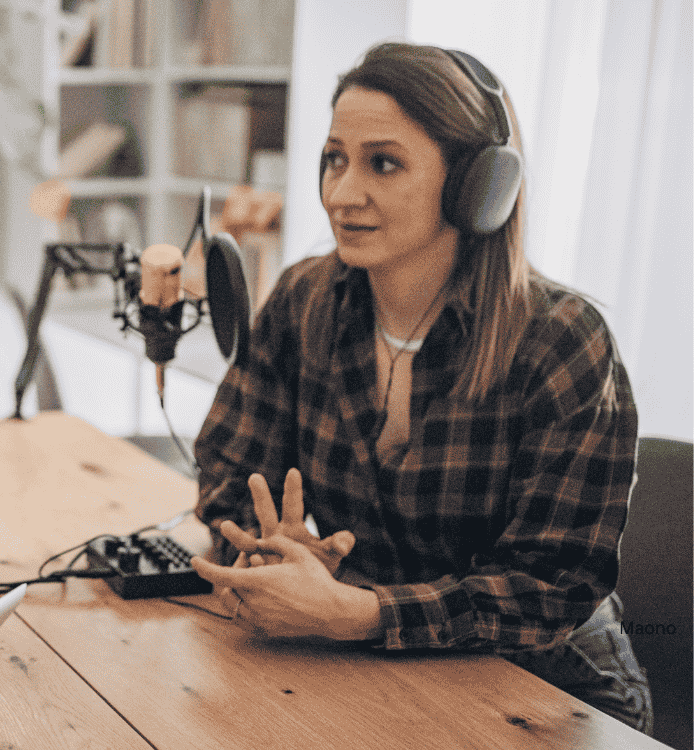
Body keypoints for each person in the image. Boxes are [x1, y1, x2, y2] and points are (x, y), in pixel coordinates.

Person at [189, 42, 652, 734]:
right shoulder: (306, 300)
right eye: (334, 159)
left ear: (478, 185)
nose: (343, 193)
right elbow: (228, 472)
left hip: (551, 693)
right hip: (372, 666)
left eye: (384, 162)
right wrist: (269, 555)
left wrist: (364, 612)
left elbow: (551, 586)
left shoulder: (562, 342)